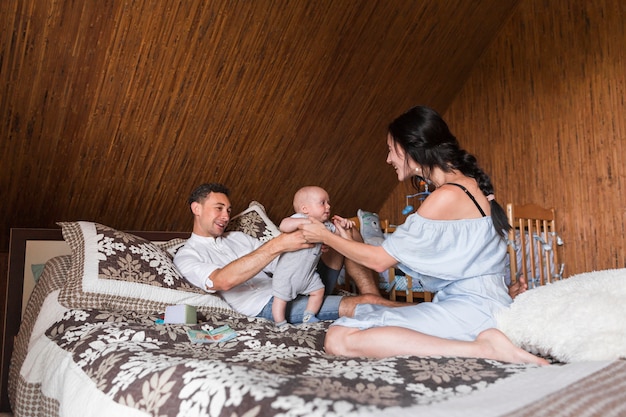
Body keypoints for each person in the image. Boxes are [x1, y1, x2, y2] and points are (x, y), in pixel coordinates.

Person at [299, 105, 548, 365]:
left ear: (410, 150)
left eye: (391, 150)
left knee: (340, 336)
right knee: (365, 316)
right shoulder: (467, 186)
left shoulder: (447, 195)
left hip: (474, 308)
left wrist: (324, 236)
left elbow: (380, 261)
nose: (388, 159)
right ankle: (482, 342)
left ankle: (484, 349)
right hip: (481, 303)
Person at [173, 183, 400, 324]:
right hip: (268, 304)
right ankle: (417, 312)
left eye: (229, 210)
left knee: (346, 234)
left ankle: (374, 295)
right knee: (365, 303)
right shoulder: (187, 254)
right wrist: (279, 244)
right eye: (219, 208)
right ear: (197, 208)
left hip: (299, 283)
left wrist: (311, 249)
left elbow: (277, 265)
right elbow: (221, 281)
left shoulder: (238, 238)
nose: (226, 215)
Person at [272, 186, 356, 326]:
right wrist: (302, 223)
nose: (328, 206)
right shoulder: (300, 219)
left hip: (308, 275)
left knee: (318, 290)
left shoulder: (326, 225)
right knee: (280, 299)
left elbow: (341, 238)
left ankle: (309, 315)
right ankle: (280, 323)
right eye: (322, 203)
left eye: (328, 202)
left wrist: (345, 226)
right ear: (305, 209)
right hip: (287, 275)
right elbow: (283, 225)